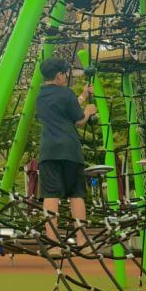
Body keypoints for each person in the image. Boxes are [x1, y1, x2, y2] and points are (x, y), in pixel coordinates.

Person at [35, 57, 97, 253]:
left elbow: (63, 109)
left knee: (50, 195)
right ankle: (82, 242)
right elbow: (78, 120)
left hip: (49, 151)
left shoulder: (40, 96)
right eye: (64, 74)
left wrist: (83, 96)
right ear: (59, 75)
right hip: (70, 150)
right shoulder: (66, 93)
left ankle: (53, 243)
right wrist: (88, 111)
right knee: (76, 194)